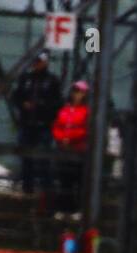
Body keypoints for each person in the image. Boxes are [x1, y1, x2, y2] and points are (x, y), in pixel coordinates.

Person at [9, 51, 62, 202]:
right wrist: (23, 105)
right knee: (26, 156)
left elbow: (57, 103)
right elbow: (16, 96)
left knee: (44, 157)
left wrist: (41, 106)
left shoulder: (52, 81)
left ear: (45, 63)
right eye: (35, 61)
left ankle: (45, 189)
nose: (36, 64)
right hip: (27, 124)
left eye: (39, 61)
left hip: (44, 125)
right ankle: (27, 187)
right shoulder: (26, 78)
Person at [51, 80, 90, 218]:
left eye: (81, 92)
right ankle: (63, 208)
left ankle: (77, 209)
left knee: (78, 180)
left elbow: (85, 130)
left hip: (78, 150)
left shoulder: (86, 112)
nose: (78, 94)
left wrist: (71, 138)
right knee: (64, 180)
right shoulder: (65, 110)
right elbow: (57, 126)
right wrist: (61, 138)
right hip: (64, 149)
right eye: (76, 91)